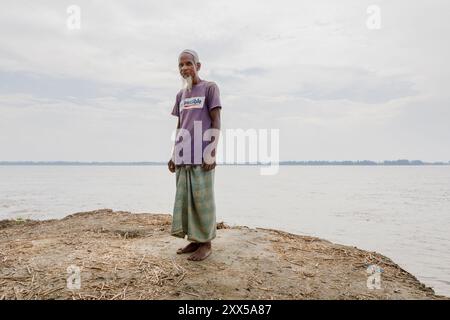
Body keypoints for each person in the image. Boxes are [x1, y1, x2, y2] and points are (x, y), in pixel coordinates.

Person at [168, 49, 222, 261]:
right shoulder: (181, 95)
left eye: (188, 63)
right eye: (180, 65)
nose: (184, 68)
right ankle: (194, 239)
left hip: (202, 156)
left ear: (198, 66)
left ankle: (206, 244)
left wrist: (212, 152)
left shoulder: (210, 88)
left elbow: (216, 121)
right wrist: (173, 154)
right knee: (186, 202)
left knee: (202, 202)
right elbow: (180, 125)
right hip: (183, 156)